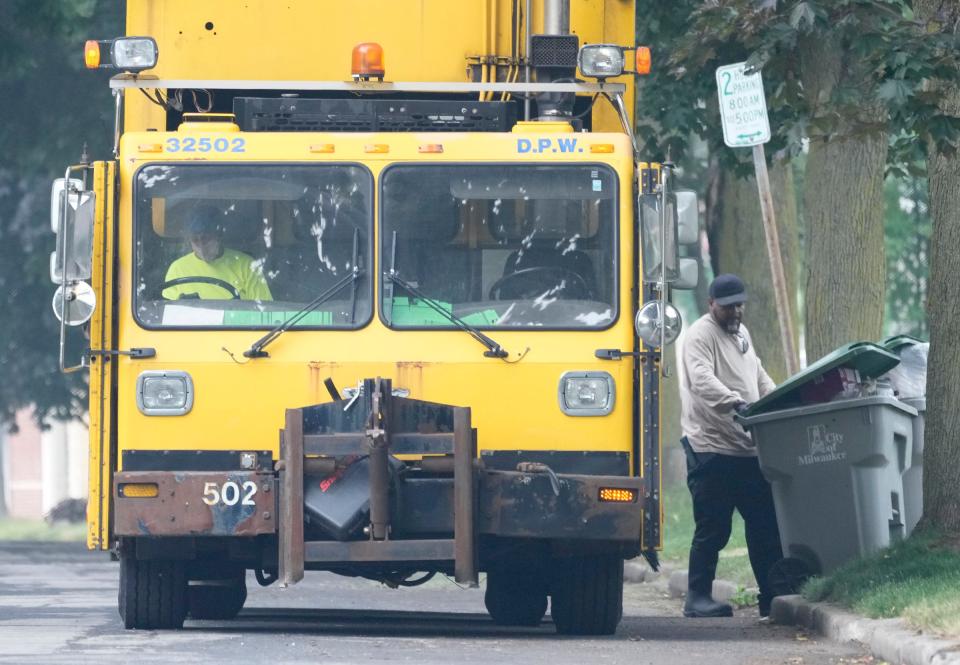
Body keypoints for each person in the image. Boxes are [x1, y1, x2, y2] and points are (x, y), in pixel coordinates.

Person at [679, 273, 782, 619]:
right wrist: (736, 403)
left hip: (747, 448)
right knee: (714, 527)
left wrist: (778, 398)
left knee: (765, 524)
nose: (736, 311)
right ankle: (697, 596)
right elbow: (702, 380)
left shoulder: (741, 333)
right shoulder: (699, 336)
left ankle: (773, 594)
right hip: (712, 448)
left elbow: (758, 373)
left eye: (739, 305)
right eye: (728, 307)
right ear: (712, 305)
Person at [163, 205, 273, 301]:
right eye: (195, 240)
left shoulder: (247, 266)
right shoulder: (177, 269)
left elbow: (263, 309)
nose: (201, 245)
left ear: (219, 235)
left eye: (206, 238)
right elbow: (168, 312)